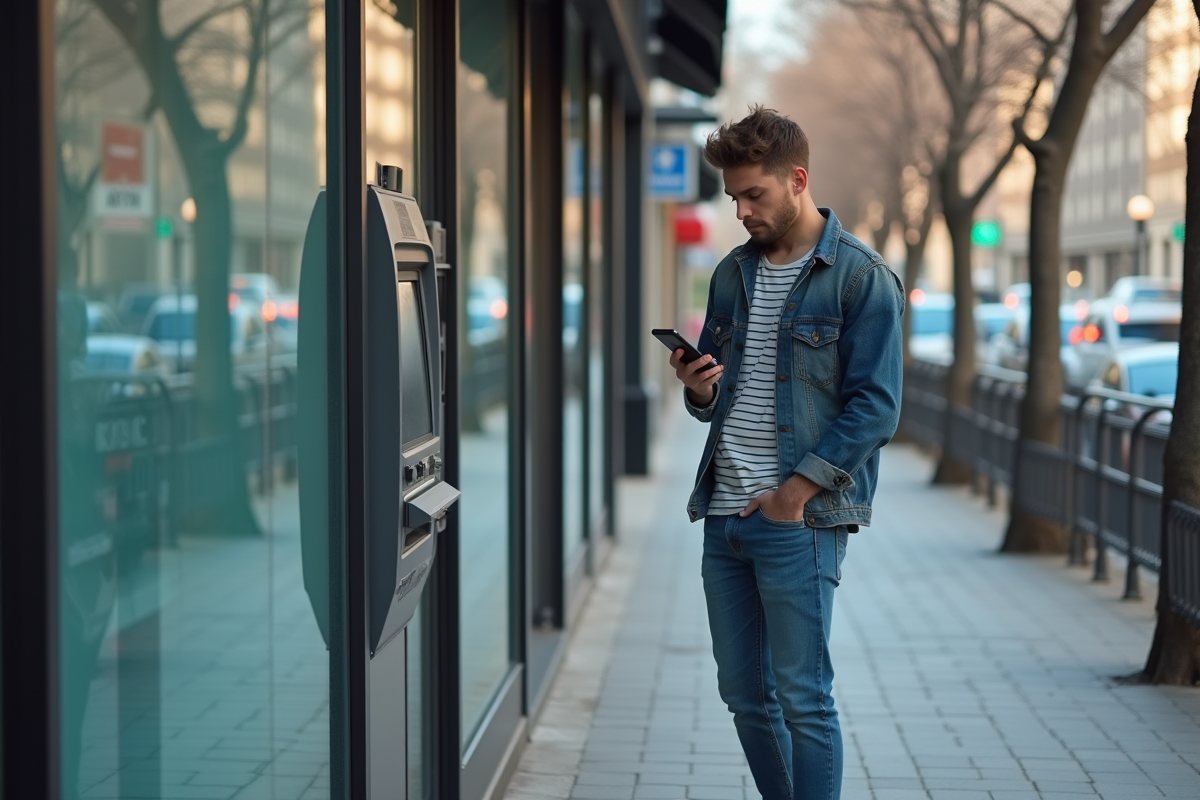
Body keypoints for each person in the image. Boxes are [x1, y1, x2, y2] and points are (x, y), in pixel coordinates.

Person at [669, 105, 904, 800]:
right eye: (732, 197)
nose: (740, 210)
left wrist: (793, 496)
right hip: (723, 514)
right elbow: (716, 394)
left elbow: (877, 406)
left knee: (804, 698)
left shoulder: (860, 278)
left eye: (753, 194)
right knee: (744, 694)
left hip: (795, 521)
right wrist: (699, 389)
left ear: (796, 179)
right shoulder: (730, 276)